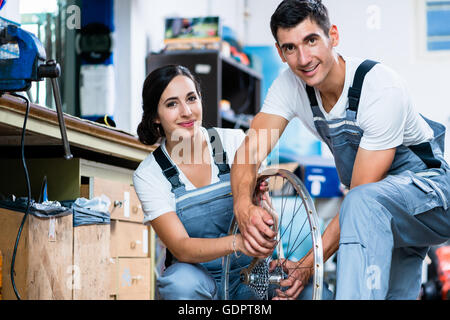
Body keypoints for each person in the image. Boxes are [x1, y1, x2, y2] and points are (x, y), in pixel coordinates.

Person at [231, 0, 450, 300]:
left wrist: (308, 266)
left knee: (360, 204)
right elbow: (248, 152)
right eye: (291, 48)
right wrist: (243, 207)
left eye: (311, 40)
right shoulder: (290, 87)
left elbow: (361, 195)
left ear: (333, 36)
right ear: (280, 53)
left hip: (432, 197)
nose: (304, 58)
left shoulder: (380, 88)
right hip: (384, 208)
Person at [133, 64, 263, 300]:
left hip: (252, 274)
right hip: (201, 282)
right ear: (155, 118)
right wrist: (237, 242)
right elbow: (181, 247)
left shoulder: (235, 142)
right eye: (172, 104)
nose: (186, 111)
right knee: (178, 284)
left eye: (191, 98)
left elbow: (266, 215)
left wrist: (264, 213)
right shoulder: (149, 173)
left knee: (314, 292)